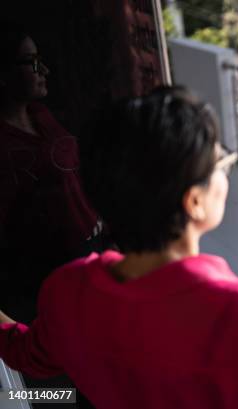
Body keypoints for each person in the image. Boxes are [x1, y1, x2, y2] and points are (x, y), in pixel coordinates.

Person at [0, 87, 238, 409]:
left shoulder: (67, 292)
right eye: (220, 163)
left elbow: (26, 353)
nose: (225, 171)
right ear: (195, 201)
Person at [0, 22, 103, 323]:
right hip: (57, 273)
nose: (43, 70)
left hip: (95, 248)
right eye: (31, 62)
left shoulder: (41, 115)